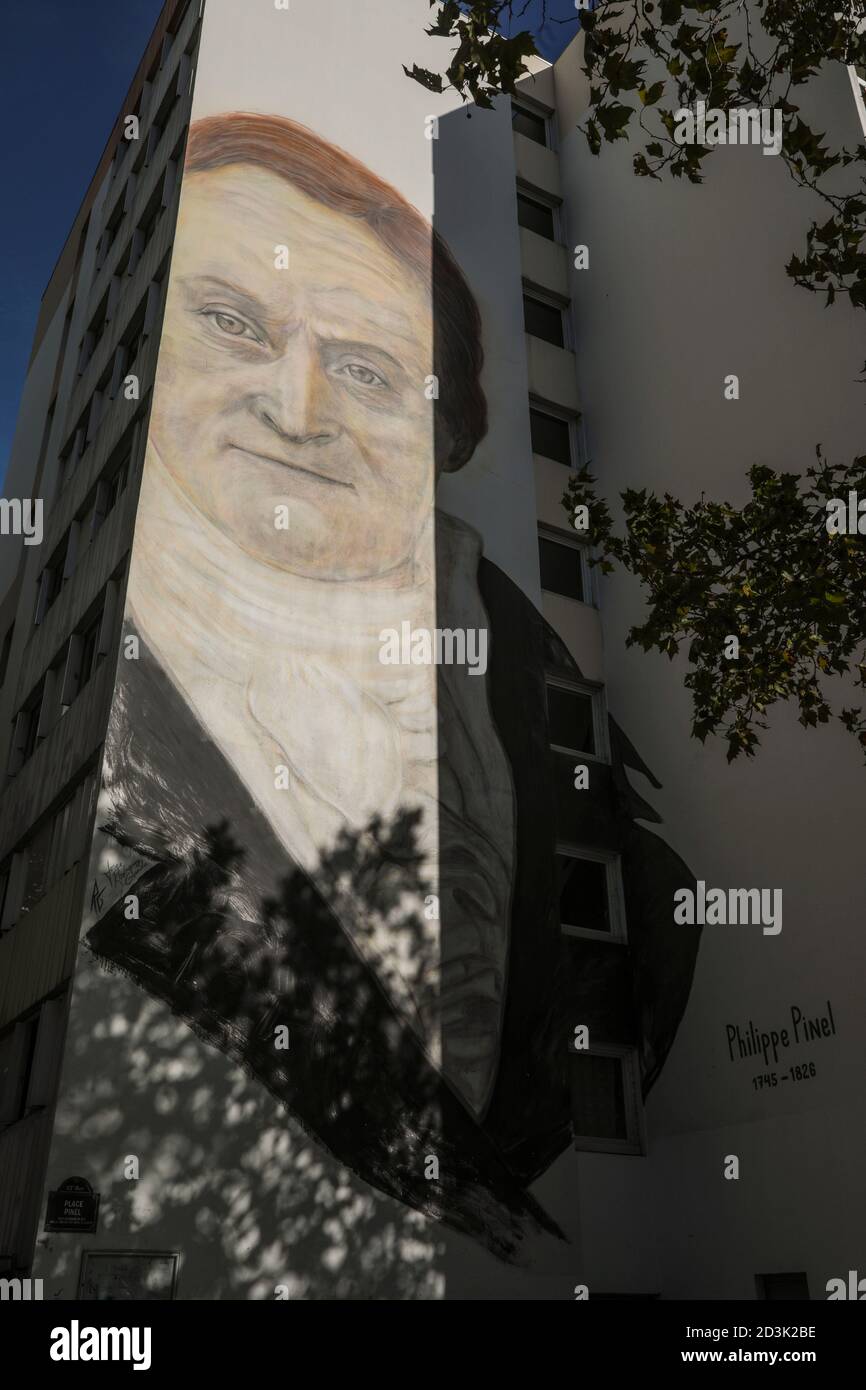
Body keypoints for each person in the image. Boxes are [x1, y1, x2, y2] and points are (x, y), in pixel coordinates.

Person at [87, 112, 698, 1266]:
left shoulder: (603, 811)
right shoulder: (100, 739)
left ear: (449, 431)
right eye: (228, 323)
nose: (298, 407)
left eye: (367, 368)